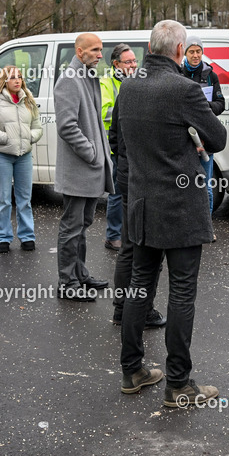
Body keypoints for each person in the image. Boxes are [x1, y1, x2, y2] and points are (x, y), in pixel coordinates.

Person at [116, 20, 227, 407]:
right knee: (181, 291)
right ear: (181, 51)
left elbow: (122, 143)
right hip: (180, 207)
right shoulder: (184, 88)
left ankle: (133, 369)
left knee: (139, 285)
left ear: (150, 46)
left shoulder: (127, 87)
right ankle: (178, 382)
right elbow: (217, 138)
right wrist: (191, 141)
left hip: (142, 202)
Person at [54, 32, 113, 301]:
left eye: (100, 50)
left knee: (83, 223)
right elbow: (67, 126)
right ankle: (67, 283)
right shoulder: (69, 80)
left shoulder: (88, 76)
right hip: (80, 169)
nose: (101, 55)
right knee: (72, 227)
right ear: (80, 52)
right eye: (95, 50)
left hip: (91, 168)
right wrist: (91, 153)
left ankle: (80, 274)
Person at [108, 91, 166, 330]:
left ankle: (121, 308)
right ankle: (143, 310)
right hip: (150, 180)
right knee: (152, 249)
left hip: (127, 175)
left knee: (129, 246)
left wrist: (122, 162)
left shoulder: (127, 91)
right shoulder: (165, 93)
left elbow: (114, 136)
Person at [0, 65, 44, 253]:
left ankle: (27, 236)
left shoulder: (28, 100)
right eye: (13, 77)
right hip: (2, 157)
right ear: (4, 81)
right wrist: (6, 138)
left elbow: (38, 127)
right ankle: (3, 238)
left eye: (20, 77)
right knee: (3, 200)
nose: (17, 80)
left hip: (24, 157)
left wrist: (30, 137)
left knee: (25, 199)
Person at [180, 35, 225, 216]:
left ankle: (207, 227)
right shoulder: (178, 73)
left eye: (198, 51)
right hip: (184, 137)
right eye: (191, 51)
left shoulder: (211, 75)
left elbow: (220, 104)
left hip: (205, 137)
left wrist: (203, 107)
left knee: (206, 185)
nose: (195, 55)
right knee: (184, 184)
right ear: (185, 53)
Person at [101, 44, 139, 252]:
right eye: (128, 62)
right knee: (116, 194)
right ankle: (113, 235)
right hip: (115, 147)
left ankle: (129, 233)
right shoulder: (106, 83)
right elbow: (104, 113)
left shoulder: (137, 82)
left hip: (135, 146)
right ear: (116, 64)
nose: (133, 65)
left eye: (134, 61)